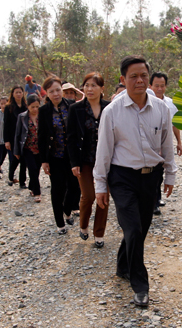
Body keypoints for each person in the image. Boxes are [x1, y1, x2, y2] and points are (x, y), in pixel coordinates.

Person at [94, 56, 177, 307]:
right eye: (133, 76)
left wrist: (170, 174)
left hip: (151, 177)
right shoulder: (112, 112)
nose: (139, 81)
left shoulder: (161, 109)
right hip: (122, 177)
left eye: (143, 75)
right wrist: (100, 185)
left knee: (140, 228)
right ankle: (140, 285)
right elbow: (104, 151)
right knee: (133, 229)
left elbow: (167, 146)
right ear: (123, 79)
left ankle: (122, 265)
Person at [67, 72, 110, 248]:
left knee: (103, 196)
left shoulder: (109, 107)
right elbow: (70, 138)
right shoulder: (75, 109)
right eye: (86, 85)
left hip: (105, 159)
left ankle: (99, 233)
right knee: (89, 196)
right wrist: (74, 163)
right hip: (84, 159)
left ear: (102, 89)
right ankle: (83, 225)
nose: (89, 89)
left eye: (94, 85)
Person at [38, 76, 81, 235]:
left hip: (72, 156)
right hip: (55, 156)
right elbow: (41, 137)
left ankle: (67, 209)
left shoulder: (71, 106)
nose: (56, 94)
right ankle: (60, 222)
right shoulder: (44, 111)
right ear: (47, 94)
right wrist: (44, 160)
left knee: (74, 186)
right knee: (58, 189)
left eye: (58, 90)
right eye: (51, 91)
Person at [149, 72, 182, 215]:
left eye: (162, 86)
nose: (159, 89)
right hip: (151, 143)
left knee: (160, 172)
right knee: (153, 173)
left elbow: (174, 124)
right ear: (150, 86)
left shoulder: (169, 103)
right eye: (156, 85)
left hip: (164, 143)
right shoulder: (145, 101)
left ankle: (157, 200)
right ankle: (153, 202)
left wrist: (179, 142)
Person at [15, 95, 42, 202]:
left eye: (37, 107)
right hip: (28, 148)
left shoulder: (42, 116)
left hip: (39, 148)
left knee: (37, 168)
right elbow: (17, 134)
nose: (35, 109)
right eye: (32, 107)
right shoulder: (22, 117)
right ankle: (37, 192)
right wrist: (16, 150)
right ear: (28, 106)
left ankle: (32, 186)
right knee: (32, 169)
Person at [4, 86, 28, 187]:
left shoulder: (26, 106)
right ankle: (11, 176)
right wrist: (7, 141)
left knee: (24, 160)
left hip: (24, 136)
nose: (18, 94)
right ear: (13, 94)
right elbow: (6, 125)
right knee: (15, 159)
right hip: (13, 137)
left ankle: (22, 182)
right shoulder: (8, 107)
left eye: (20, 92)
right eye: (16, 92)